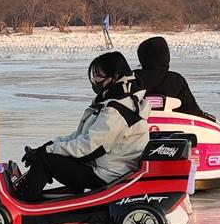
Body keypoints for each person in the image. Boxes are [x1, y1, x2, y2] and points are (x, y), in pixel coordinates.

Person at [17, 52, 150, 202]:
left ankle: (25, 204)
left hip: (108, 173)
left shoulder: (116, 110)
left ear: (113, 77)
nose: (95, 81)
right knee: (49, 155)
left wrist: (46, 152)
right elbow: (83, 136)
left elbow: (89, 148)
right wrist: (50, 145)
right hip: (109, 166)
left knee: (44, 161)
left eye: (98, 76)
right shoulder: (118, 100)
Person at [135, 36, 205, 117]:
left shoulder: (131, 79)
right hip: (174, 126)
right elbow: (192, 111)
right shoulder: (176, 80)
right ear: (165, 56)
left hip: (136, 126)